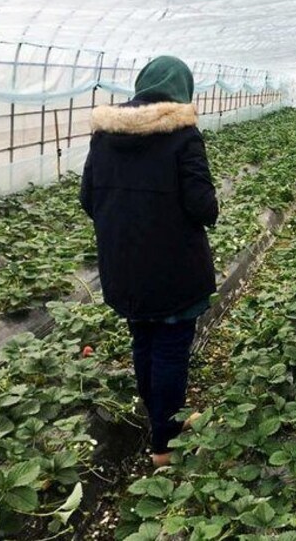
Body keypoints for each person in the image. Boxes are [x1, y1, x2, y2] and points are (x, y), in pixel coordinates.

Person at [80, 55, 218, 468]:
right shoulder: (183, 135)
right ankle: (165, 443)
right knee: (171, 349)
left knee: (144, 341)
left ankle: (160, 419)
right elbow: (202, 206)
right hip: (173, 268)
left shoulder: (104, 134)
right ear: (183, 91)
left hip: (123, 266)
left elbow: (89, 198)